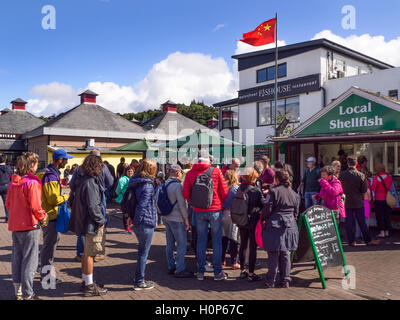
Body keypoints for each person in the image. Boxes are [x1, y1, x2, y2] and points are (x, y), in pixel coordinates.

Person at [183, 149, 229, 281]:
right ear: (209, 159)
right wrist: (218, 202)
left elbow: (185, 193)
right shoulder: (216, 171)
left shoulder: (191, 173)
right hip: (215, 210)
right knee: (216, 242)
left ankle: (200, 272)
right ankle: (217, 273)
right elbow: (225, 190)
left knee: (201, 241)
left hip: (199, 211)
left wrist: (194, 202)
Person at [7, 152, 46, 300]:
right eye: (36, 164)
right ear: (31, 165)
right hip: (30, 225)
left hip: (16, 225)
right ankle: (28, 293)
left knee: (17, 257)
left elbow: (8, 204)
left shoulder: (13, 182)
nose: (37, 167)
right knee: (30, 260)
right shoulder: (32, 183)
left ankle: (17, 290)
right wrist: (43, 216)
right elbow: (36, 206)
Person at [68, 155, 108, 297]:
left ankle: (86, 281)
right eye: (100, 166)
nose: (102, 168)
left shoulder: (83, 180)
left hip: (85, 222)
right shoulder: (90, 182)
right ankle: (89, 285)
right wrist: (101, 220)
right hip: (91, 223)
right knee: (90, 254)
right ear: (96, 167)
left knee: (86, 254)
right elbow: (93, 206)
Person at [70, 149, 114, 263]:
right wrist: (103, 189)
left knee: (83, 224)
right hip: (99, 198)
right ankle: (97, 252)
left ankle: (81, 253)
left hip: (81, 198)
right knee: (100, 224)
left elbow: (72, 184)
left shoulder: (80, 168)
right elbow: (111, 181)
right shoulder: (103, 167)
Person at [39, 149, 73, 283]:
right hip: (50, 215)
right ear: (60, 160)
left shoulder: (47, 172)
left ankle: (41, 267)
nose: (67, 162)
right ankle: (46, 277)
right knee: (49, 246)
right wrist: (66, 196)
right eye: (66, 159)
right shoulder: (51, 175)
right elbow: (53, 199)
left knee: (50, 243)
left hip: (48, 213)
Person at [262, 169, 299, 288]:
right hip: (290, 225)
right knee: (285, 253)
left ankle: (270, 280)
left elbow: (267, 209)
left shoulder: (273, 192)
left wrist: (263, 218)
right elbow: (296, 212)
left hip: (275, 224)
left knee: (273, 253)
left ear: (276, 179)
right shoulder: (294, 193)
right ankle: (285, 280)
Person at [127, 159, 158, 290]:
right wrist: (136, 220)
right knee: (143, 253)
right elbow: (143, 206)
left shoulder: (135, 181)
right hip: (145, 221)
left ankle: (138, 277)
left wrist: (130, 217)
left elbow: (132, 201)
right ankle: (139, 281)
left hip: (137, 220)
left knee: (141, 251)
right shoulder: (148, 185)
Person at [339, 155, 379, 246]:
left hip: (347, 202)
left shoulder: (341, 175)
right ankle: (367, 240)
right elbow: (364, 190)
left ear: (348, 163)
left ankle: (351, 241)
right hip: (358, 202)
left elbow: (340, 189)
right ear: (356, 163)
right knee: (362, 222)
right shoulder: (361, 175)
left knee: (349, 222)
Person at [161, 164, 193, 278]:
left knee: (169, 243)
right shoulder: (178, 186)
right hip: (177, 218)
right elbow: (182, 204)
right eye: (180, 172)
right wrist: (186, 219)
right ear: (176, 173)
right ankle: (180, 268)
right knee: (181, 244)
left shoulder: (164, 184)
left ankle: (171, 266)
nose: (181, 174)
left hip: (166, 217)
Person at [234, 167, 265, 282]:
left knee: (242, 245)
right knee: (252, 247)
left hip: (241, 220)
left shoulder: (239, 188)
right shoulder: (255, 190)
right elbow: (263, 205)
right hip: (253, 221)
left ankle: (243, 271)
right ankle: (251, 273)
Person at [221, 170, 240, 270]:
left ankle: (221, 261)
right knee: (234, 240)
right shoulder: (236, 189)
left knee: (223, 240)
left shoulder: (222, 188)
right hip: (233, 216)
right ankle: (234, 262)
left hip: (222, 215)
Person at [371, 164, 393, 238]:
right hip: (387, 199)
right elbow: (390, 187)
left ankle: (382, 232)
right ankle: (387, 232)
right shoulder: (389, 178)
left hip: (378, 199)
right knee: (387, 216)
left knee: (380, 216)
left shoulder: (376, 178)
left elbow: (373, 188)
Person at [115, 166, 135, 234]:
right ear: (126, 172)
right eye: (129, 171)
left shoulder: (134, 178)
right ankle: (127, 228)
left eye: (131, 171)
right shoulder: (123, 179)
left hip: (133, 199)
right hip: (125, 199)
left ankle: (130, 228)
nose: (130, 173)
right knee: (126, 214)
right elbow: (118, 189)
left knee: (131, 213)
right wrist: (121, 193)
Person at [0, 154, 13, 222]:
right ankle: (8, 218)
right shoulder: (9, 168)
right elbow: (11, 178)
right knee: (6, 203)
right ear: (5, 160)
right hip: (6, 186)